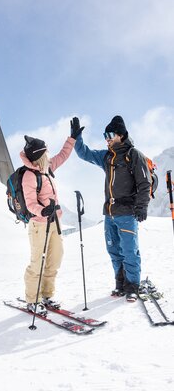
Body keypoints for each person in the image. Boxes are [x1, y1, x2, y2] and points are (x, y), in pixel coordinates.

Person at [72, 115, 151, 302]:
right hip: (109, 213)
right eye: (104, 134)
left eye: (110, 134)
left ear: (121, 135)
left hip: (127, 213)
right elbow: (84, 153)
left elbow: (144, 183)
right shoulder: (107, 156)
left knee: (129, 250)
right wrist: (76, 138)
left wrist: (142, 207)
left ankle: (133, 286)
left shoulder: (134, 155)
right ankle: (120, 283)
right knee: (114, 250)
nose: (106, 138)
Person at [20, 131, 77, 314]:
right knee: (37, 263)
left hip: (55, 223)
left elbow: (63, 155)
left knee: (55, 259)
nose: (48, 154)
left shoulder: (47, 167)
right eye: (45, 152)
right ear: (39, 155)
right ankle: (32, 299)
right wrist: (42, 210)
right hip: (39, 224)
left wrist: (72, 138)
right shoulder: (29, 176)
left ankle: (47, 295)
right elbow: (30, 203)